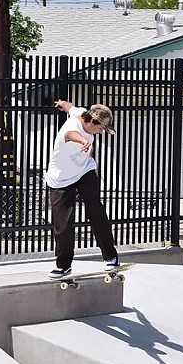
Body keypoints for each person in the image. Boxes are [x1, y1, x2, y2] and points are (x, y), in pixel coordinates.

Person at [43, 99, 119, 279]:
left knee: (95, 210)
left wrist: (62, 103)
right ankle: (63, 266)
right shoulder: (71, 129)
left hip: (85, 170)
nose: (101, 133)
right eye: (101, 129)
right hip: (60, 179)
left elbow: (70, 107)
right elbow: (70, 135)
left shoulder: (83, 112)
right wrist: (84, 140)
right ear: (93, 122)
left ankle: (111, 256)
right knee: (63, 226)